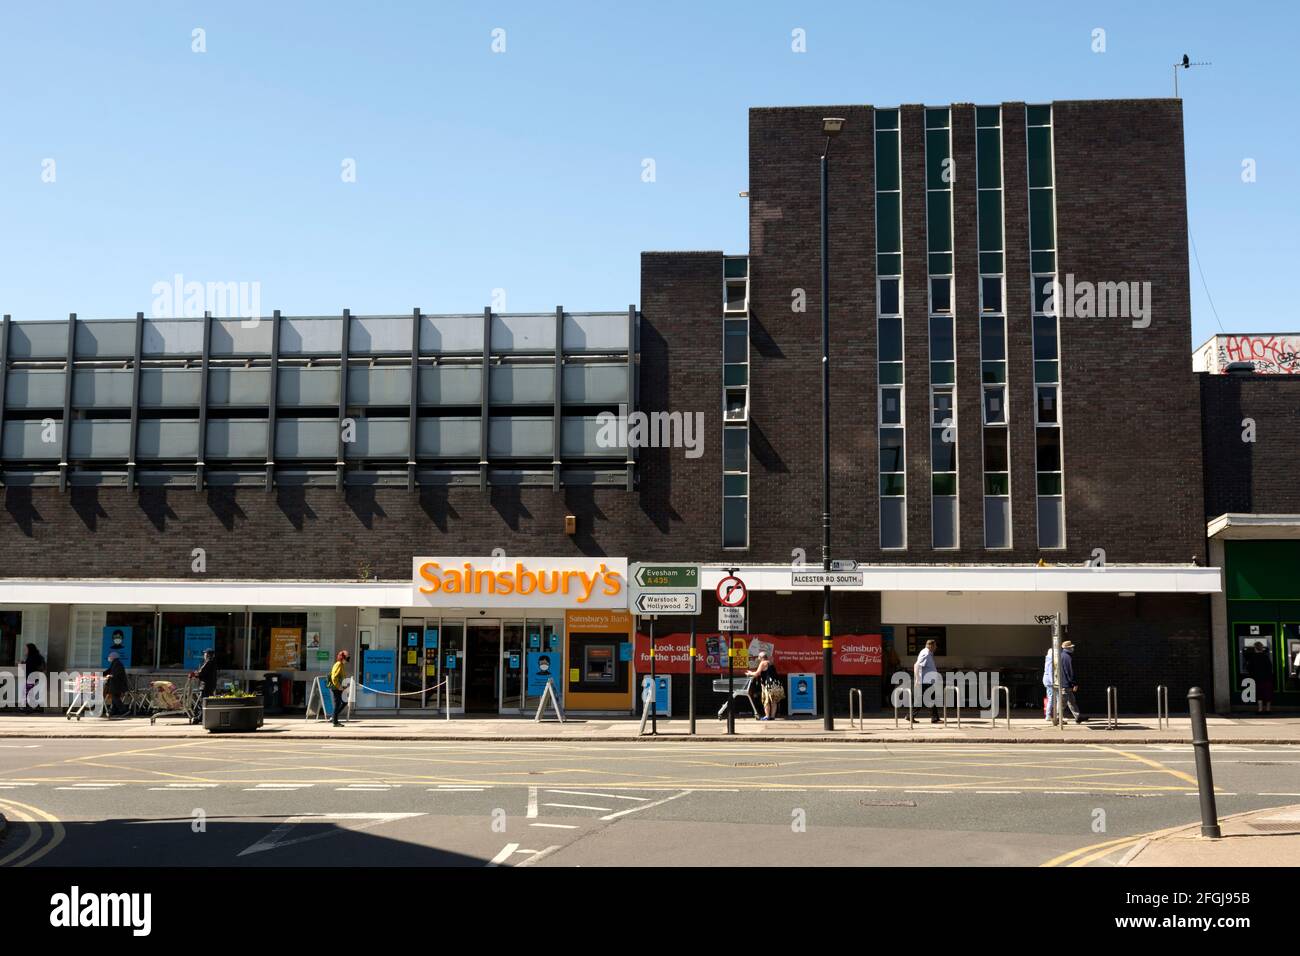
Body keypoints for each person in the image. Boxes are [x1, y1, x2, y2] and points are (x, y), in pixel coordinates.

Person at [745, 650, 783, 721]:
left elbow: (757, 673)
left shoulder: (763, 663)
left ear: (761, 657)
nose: (758, 658)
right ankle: (772, 716)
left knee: (766, 700)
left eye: (758, 657)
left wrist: (750, 673)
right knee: (773, 701)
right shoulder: (770, 662)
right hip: (776, 684)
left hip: (768, 685)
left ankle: (767, 716)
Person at [913, 639, 940, 723]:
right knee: (930, 699)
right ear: (931, 646)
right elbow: (916, 665)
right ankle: (934, 718)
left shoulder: (928, 653)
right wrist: (917, 679)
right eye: (935, 645)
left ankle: (910, 715)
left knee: (924, 699)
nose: (936, 647)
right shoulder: (926, 653)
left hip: (927, 681)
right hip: (925, 681)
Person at [189, 648, 218, 724]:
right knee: (205, 702)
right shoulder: (212, 663)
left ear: (208, 655)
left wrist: (194, 674)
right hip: (210, 685)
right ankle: (201, 717)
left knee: (203, 702)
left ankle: (200, 718)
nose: (204, 655)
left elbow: (202, 673)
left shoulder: (208, 662)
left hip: (205, 686)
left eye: (205, 653)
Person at [1059, 640, 1084, 723]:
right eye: (1071, 647)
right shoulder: (1067, 657)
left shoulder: (1062, 655)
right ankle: (1058, 718)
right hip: (1066, 684)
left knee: (1072, 702)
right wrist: (1074, 683)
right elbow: (1069, 671)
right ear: (1068, 648)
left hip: (1065, 683)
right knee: (1063, 703)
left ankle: (1078, 717)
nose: (1073, 648)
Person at [1246, 641, 1274, 714]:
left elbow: (1249, 668)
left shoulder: (1253, 657)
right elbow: (1270, 667)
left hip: (1258, 679)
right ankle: (1268, 710)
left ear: (1255, 648)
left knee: (1259, 694)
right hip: (1267, 678)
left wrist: (1252, 674)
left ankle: (1260, 709)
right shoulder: (1266, 656)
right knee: (1268, 693)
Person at [102, 651, 128, 718]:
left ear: (113, 657)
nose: (109, 658)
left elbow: (116, 674)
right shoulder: (115, 663)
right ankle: (114, 711)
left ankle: (124, 710)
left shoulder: (117, 664)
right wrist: (100, 674)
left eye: (110, 657)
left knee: (115, 698)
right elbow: (109, 670)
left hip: (117, 685)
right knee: (114, 698)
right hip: (116, 684)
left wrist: (110, 676)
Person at [328, 650, 350, 727]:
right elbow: (334, 677)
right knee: (338, 703)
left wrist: (344, 686)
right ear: (343, 658)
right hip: (336, 687)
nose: (347, 660)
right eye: (347, 658)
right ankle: (335, 722)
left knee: (344, 702)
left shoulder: (341, 665)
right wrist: (339, 687)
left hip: (339, 687)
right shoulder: (338, 664)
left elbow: (341, 677)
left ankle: (334, 717)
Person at [22, 643, 45, 713]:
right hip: (34, 677)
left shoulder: (32, 657)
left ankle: (30, 707)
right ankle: (30, 707)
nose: (25, 650)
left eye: (26, 649)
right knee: (29, 692)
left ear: (30, 649)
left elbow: (29, 666)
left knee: (27, 692)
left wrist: (22, 663)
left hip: (32, 677)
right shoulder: (36, 656)